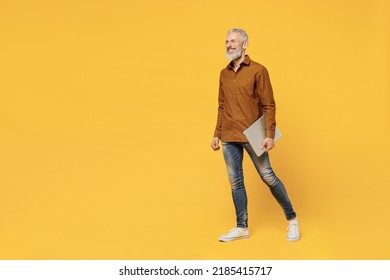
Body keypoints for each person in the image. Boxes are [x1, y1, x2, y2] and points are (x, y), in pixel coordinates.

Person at [211, 28, 300, 242]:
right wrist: (216, 133)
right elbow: (221, 106)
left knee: (268, 176)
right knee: (236, 182)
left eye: (233, 41)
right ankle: (241, 227)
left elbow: (269, 105)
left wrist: (269, 134)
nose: (229, 45)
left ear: (244, 44)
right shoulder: (223, 74)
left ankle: (292, 220)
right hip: (228, 136)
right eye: (226, 41)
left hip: (253, 135)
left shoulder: (258, 71)